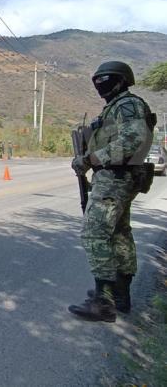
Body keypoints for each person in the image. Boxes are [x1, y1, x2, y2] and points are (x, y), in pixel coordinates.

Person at [69, 61, 155, 322]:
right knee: (118, 234)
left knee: (95, 233)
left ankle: (102, 301)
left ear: (120, 80)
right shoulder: (116, 106)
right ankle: (119, 295)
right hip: (118, 178)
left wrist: (90, 159)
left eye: (104, 79)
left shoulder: (127, 105)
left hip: (115, 178)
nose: (99, 84)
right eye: (96, 80)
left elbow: (133, 140)